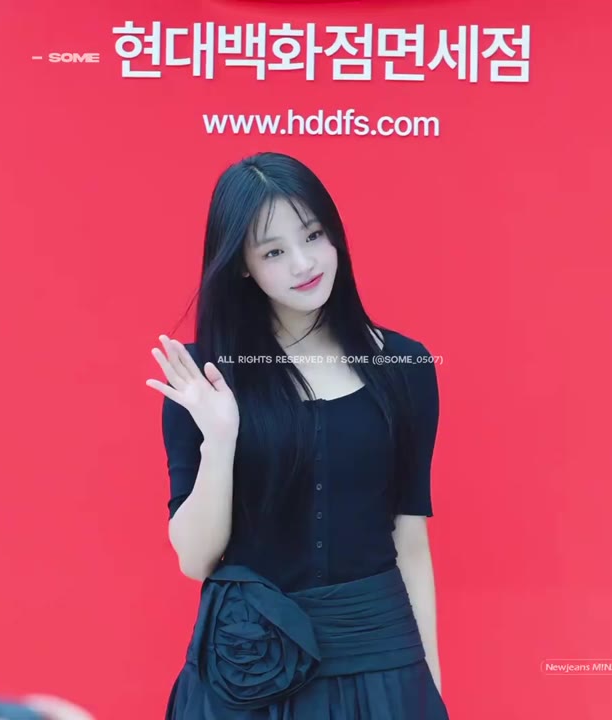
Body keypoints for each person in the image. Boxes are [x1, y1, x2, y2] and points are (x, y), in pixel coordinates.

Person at [146, 151, 449, 719]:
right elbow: (194, 558)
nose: (304, 263)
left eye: (313, 236)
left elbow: (410, 538)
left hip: (379, 658)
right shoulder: (204, 375)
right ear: (242, 265)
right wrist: (220, 438)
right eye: (273, 252)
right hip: (249, 669)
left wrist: (429, 689)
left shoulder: (405, 366)